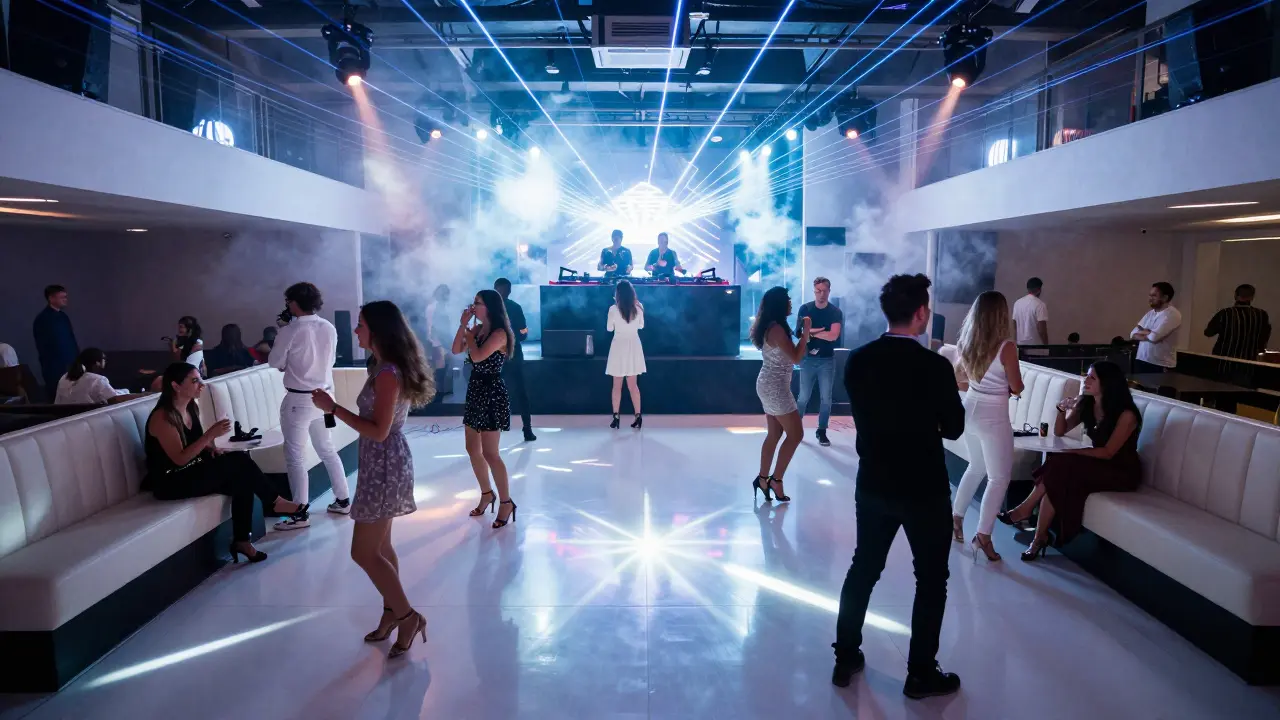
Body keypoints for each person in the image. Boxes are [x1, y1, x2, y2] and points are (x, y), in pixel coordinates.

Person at [834, 273, 964, 698]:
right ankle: (920, 673)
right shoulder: (935, 366)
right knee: (930, 580)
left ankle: (845, 657)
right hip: (924, 488)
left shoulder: (858, 359)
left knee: (863, 569)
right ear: (922, 313)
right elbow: (955, 427)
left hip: (872, 481)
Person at [310, 300, 434, 658]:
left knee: (363, 551)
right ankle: (392, 614)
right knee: (380, 548)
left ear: (377, 330)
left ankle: (408, 617)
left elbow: (378, 431)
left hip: (384, 463)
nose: (356, 330)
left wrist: (333, 409)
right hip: (384, 462)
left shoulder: (387, 374)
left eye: (361, 324)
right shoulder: (385, 367)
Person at [144, 363, 308, 563]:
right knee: (239, 462)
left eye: (200, 379)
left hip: (189, 471)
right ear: (176, 386)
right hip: (170, 482)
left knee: (242, 477)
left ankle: (242, 541)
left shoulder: (190, 408)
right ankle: (275, 502)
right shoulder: (163, 417)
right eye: (194, 381)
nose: (201, 385)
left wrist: (211, 448)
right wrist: (210, 435)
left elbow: (194, 444)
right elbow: (179, 459)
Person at [998, 361, 1142, 561]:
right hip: (1098, 463)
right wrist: (1060, 410)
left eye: (1092, 377)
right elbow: (1060, 431)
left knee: (1061, 464)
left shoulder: (1127, 414)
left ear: (1108, 383)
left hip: (1120, 470)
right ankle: (1038, 535)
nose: (1086, 380)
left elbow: (1109, 452)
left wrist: (1074, 454)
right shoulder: (1087, 404)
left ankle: (1027, 512)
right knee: (1058, 474)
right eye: (1087, 376)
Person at [950, 292, 1024, 563]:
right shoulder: (1007, 347)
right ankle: (983, 535)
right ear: (1000, 315)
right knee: (999, 478)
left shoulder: (967, 342)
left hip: (970, 409)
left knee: (976, 467)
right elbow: (1017, 387)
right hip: (994, 415)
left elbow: (962, 378)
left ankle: (956, 517)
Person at [269, 282, 351, 525]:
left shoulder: (289, 331)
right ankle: (343, 500)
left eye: (288, 302)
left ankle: (299, 512)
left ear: (294, 303)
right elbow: (329, 360)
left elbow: (274, 362)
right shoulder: (328, 327)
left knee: (295, 456)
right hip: (324, 396)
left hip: (298, 399)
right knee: (326, 448)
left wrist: (283, 333)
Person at [453, 289, 518, 529]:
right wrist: (463, 326)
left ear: (489, 307)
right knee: (472, 448)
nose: (473, 306)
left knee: (491, 453)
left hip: (492, 391)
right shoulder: (478, 330)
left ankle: (506, 501)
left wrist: (469, 335)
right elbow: (456, 350)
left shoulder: (500, 333)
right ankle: (486, 493)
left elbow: (478, 357)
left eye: (477, 303)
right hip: (476, 390)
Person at [751, 286, 810, 504]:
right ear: (779, 304)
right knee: (796, 435)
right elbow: (796, 358)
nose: (791, 303)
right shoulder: (776, 329)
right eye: (787, 299)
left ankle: (763, 479)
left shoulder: (773, 326)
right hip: (775, 388)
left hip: (770, 384)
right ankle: (776, 479)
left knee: (774, 435)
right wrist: (806, 335)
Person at [795, 276, 844, 447]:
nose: (821, 294)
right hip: (808, 359)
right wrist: (821, 331)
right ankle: (795, 429)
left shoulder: (835, 312)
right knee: (803, 397)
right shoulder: (805, 308)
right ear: (814, 290)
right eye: (818, 291)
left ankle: (821, 431)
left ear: (829, 291)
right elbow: (799, 333)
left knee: (826, 398)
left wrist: (812, 332)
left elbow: (833, 336)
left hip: (826, 360)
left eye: (824, 291)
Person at [495, 278, 536, 442]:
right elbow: (523, 334)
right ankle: (527, 430)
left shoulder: (489, 309)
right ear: (510, 291)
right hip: (514, 354)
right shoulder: (515, 307)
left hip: (495, 355)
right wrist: (517, 337)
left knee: (493, 391)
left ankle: (494, 428)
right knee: (521, 393)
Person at [606, 280, 646, 429]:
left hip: (619, 346)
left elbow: (610, 328)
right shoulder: (639, 307)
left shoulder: (613, 309)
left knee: (617, 386)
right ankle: (638, 415)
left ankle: (616, 417)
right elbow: (641, 326)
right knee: (633, 386)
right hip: (634, 345)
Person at [33, 284, 78, 401]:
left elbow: (71, 339)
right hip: (54, 367)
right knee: (56, 396)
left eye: (66, 297)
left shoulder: (63, 317)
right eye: (62, 297)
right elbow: (43, 346)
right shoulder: (42, 319)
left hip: (70, 363)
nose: (65, 300)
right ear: (51, 298)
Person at [1204, 284, 1271, 360]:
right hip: (1248, 360)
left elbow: (1208, 333)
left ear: (1235, 296)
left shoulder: (1225, 313)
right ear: (1252, 297)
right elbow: (1264, 337)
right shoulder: (1261, 315)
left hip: (1224, 359)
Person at [1130, 282, 1182, 373]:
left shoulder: (1172, 314)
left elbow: (1155, 338)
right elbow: (1132, 334)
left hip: (1160, 364)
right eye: (1150, 295)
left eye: (1154, 296)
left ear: (1165, 298)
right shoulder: (1150, 313)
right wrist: (1149, 332)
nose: (1150, 299)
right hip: (1142, 359)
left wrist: (1143, 331)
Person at [55, 348, 132, 404]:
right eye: (104, 359)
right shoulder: (97, 380)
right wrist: (142, 395)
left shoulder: (64, 377)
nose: (105, 361)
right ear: (97, 362)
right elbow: (115, 399)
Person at [1011, 277, 1049, 346]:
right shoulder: (1040, 304)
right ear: (1039, 290)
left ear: (1028, 289)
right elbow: (1042, 330)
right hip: (1036, 347)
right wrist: (1046, 345)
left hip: (1020, 346)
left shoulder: (1017, 303)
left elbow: (1014, 326)